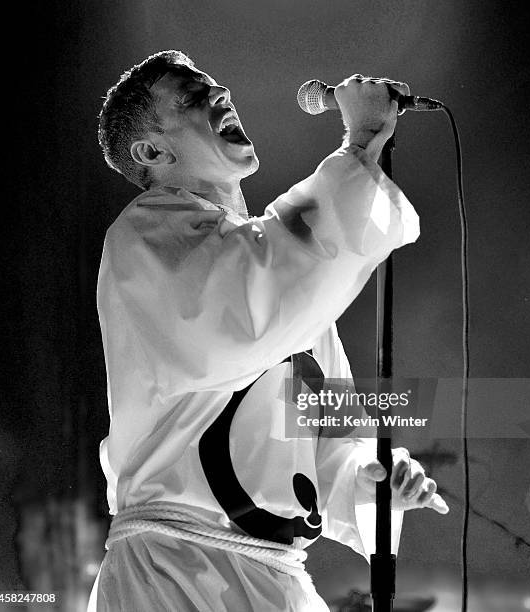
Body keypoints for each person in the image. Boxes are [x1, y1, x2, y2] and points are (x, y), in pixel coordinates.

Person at [88, 50, 448, 612]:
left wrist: (374, 481)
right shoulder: (144, 239)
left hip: (275, 577)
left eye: (217, 85)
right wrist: (358, 147)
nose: (221, 97)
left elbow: (331, 438)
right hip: (174, 571)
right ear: (151, 151)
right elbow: (249, 314)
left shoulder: (284, 284)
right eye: (191, 98)